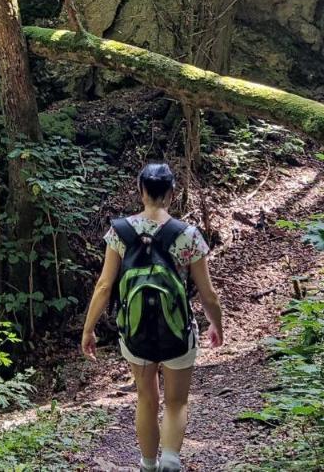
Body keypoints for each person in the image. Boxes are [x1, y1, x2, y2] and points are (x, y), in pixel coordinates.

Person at [80, 163, 224, 472]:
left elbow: (105, 285)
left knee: (146, 399)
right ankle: (170, 462)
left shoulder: (118, 232)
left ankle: (147, 465)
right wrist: (216, 324)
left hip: (136, 336)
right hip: (178, 334)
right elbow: (208, 293)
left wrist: (88, 329)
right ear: (172, 193)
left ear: (141, 191)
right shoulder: (188, 235)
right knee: (176, 402)